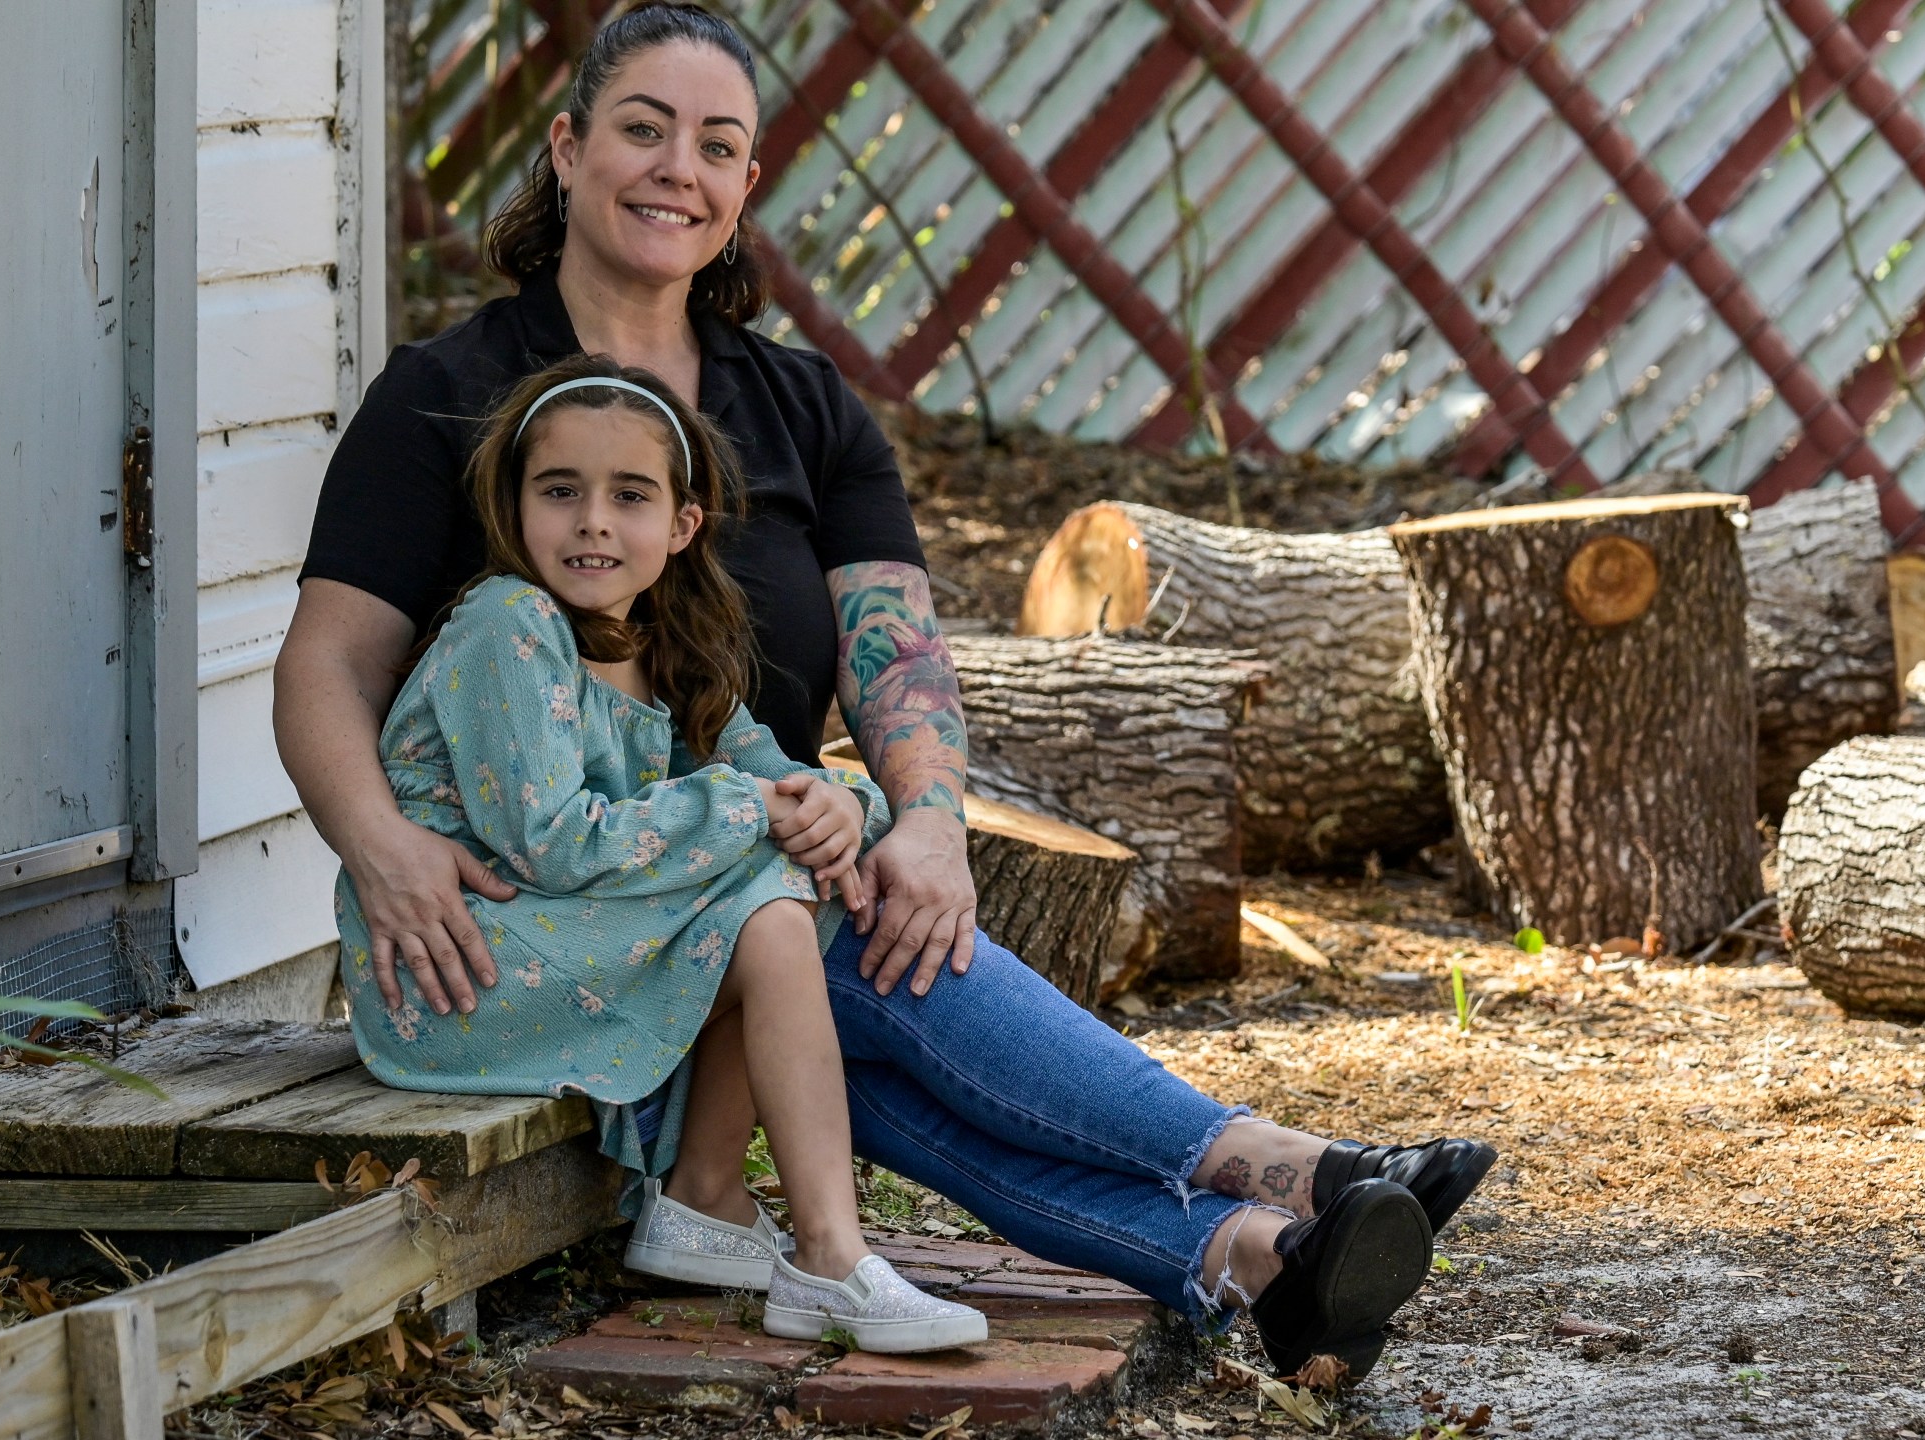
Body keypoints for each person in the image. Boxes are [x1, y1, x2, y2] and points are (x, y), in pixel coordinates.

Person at [276, 0, 1493, 1378]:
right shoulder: (450, 395)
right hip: (556, 915)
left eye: (716, 144)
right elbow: (328, 664)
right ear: (565, 152)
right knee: (835, 926)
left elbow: (894, 646)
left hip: (749, 865)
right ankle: (1274, 1163)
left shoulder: (802, 406)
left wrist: (923, 820)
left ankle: (1248, 1259)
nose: (678, 166)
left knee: (863, 931)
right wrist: (382, 851)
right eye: (642, 128)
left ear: (746, 189)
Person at [341, 354, 985, 1351]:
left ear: (680, 526)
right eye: (560, 491)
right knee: (764, 883)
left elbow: (772, 777)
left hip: (552, 941)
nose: (593, 520)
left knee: (781, 892)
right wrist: (756, 810)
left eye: (629, 495)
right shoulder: (508, 628)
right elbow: (550, 844)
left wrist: (841, 807)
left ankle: (714, 1201)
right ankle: (819, 1252)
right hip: (458, 966)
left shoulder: (664, 643)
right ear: (514, 509)